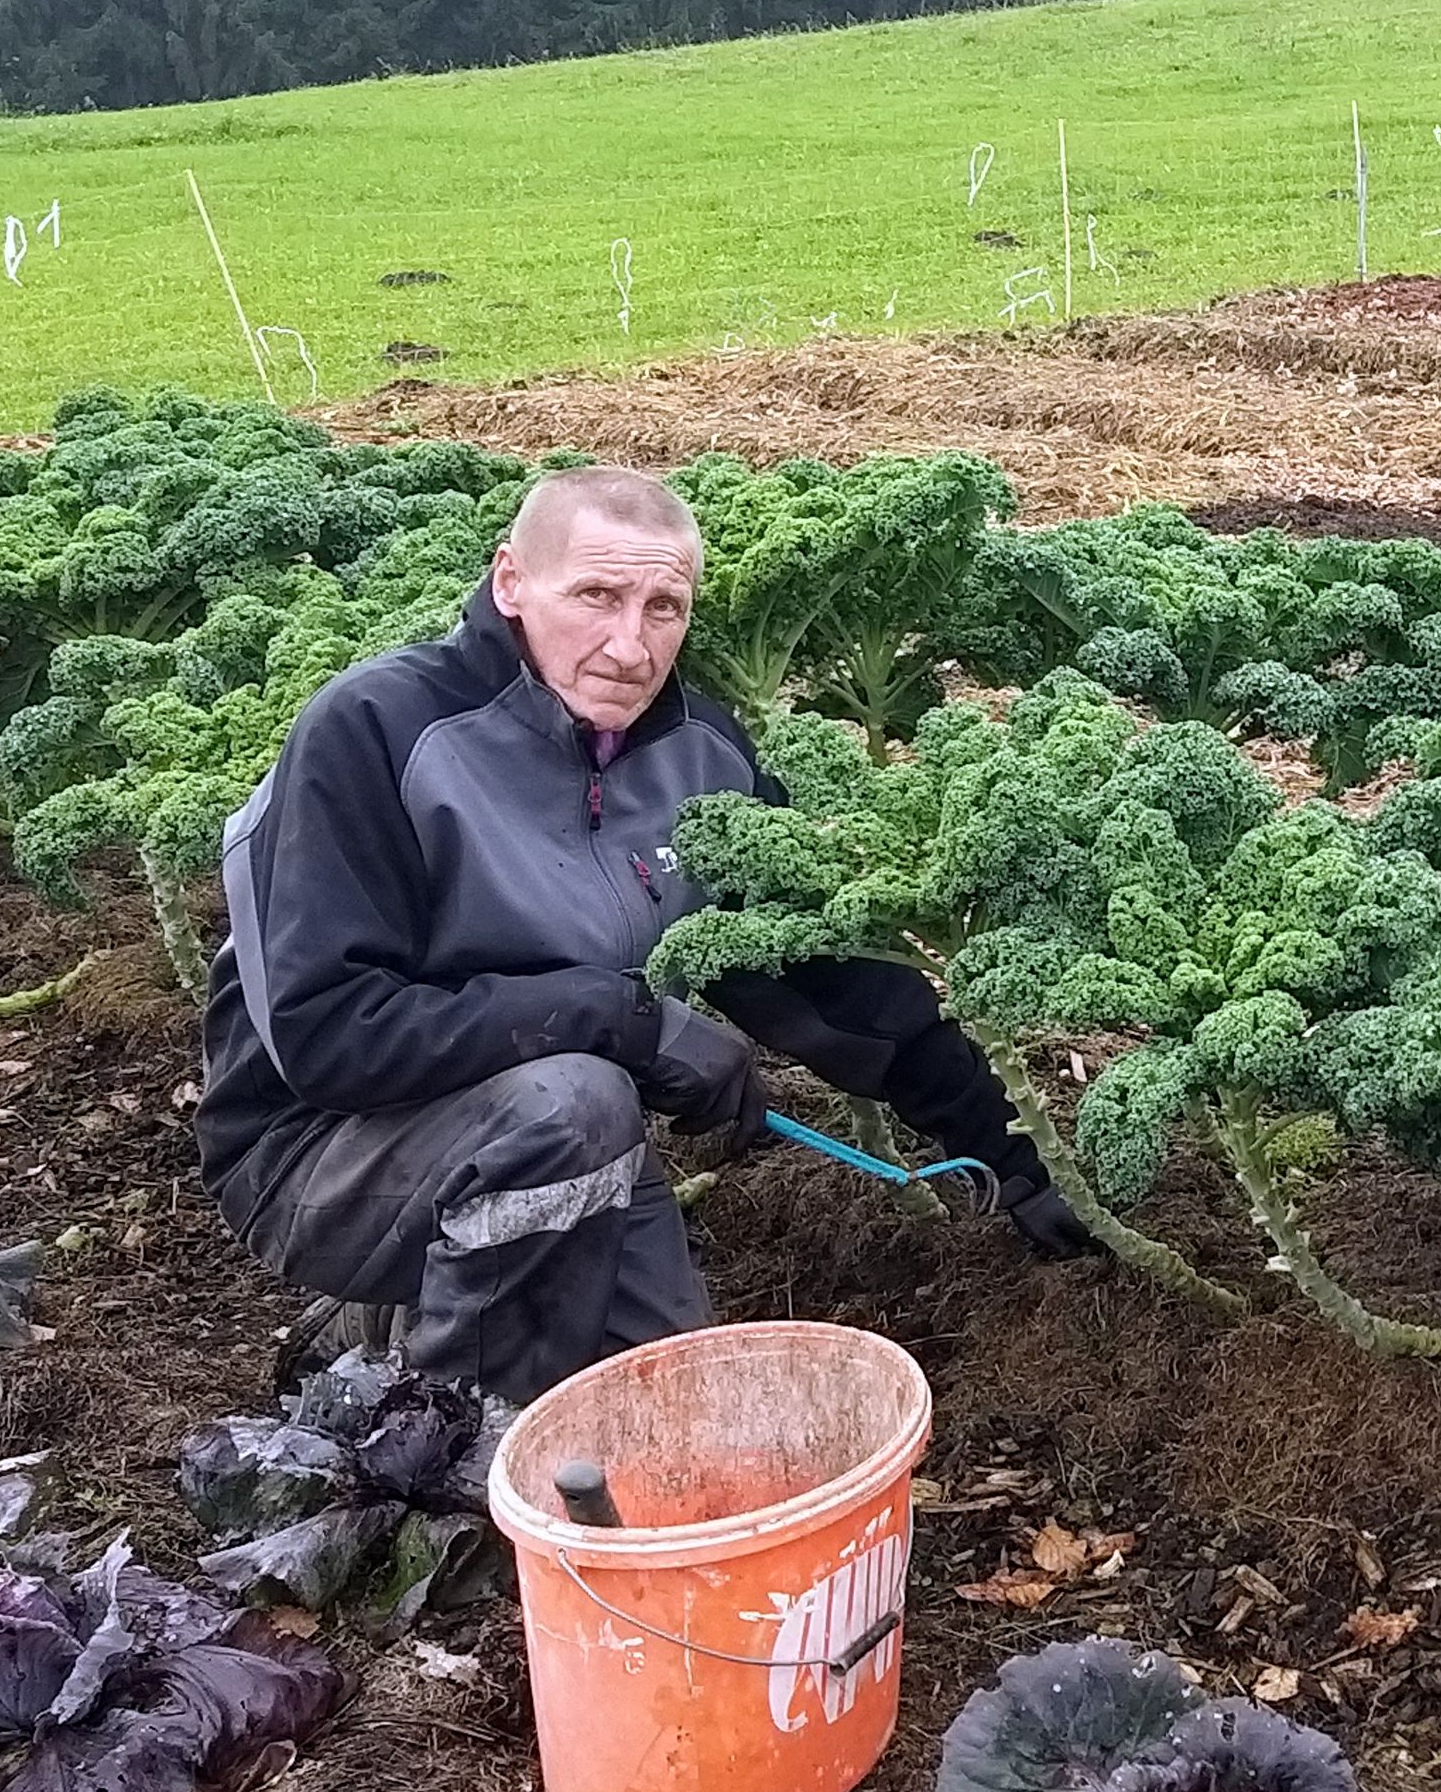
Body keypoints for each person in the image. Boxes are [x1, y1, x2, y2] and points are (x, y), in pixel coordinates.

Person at [196, 466, 1093, 1402]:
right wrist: (626, 1023)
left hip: (553, 1142)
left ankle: (399, 1325)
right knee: (572, 1106)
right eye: (597, 595)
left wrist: (1015, 1157)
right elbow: (328, 1034)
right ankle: (445, 1442)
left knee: (673, 1400)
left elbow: (829, 978)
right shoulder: (377, 731)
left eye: (664, 607)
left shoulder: (701, 755)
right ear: (511, 583)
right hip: (318, 1153)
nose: (630, 645)